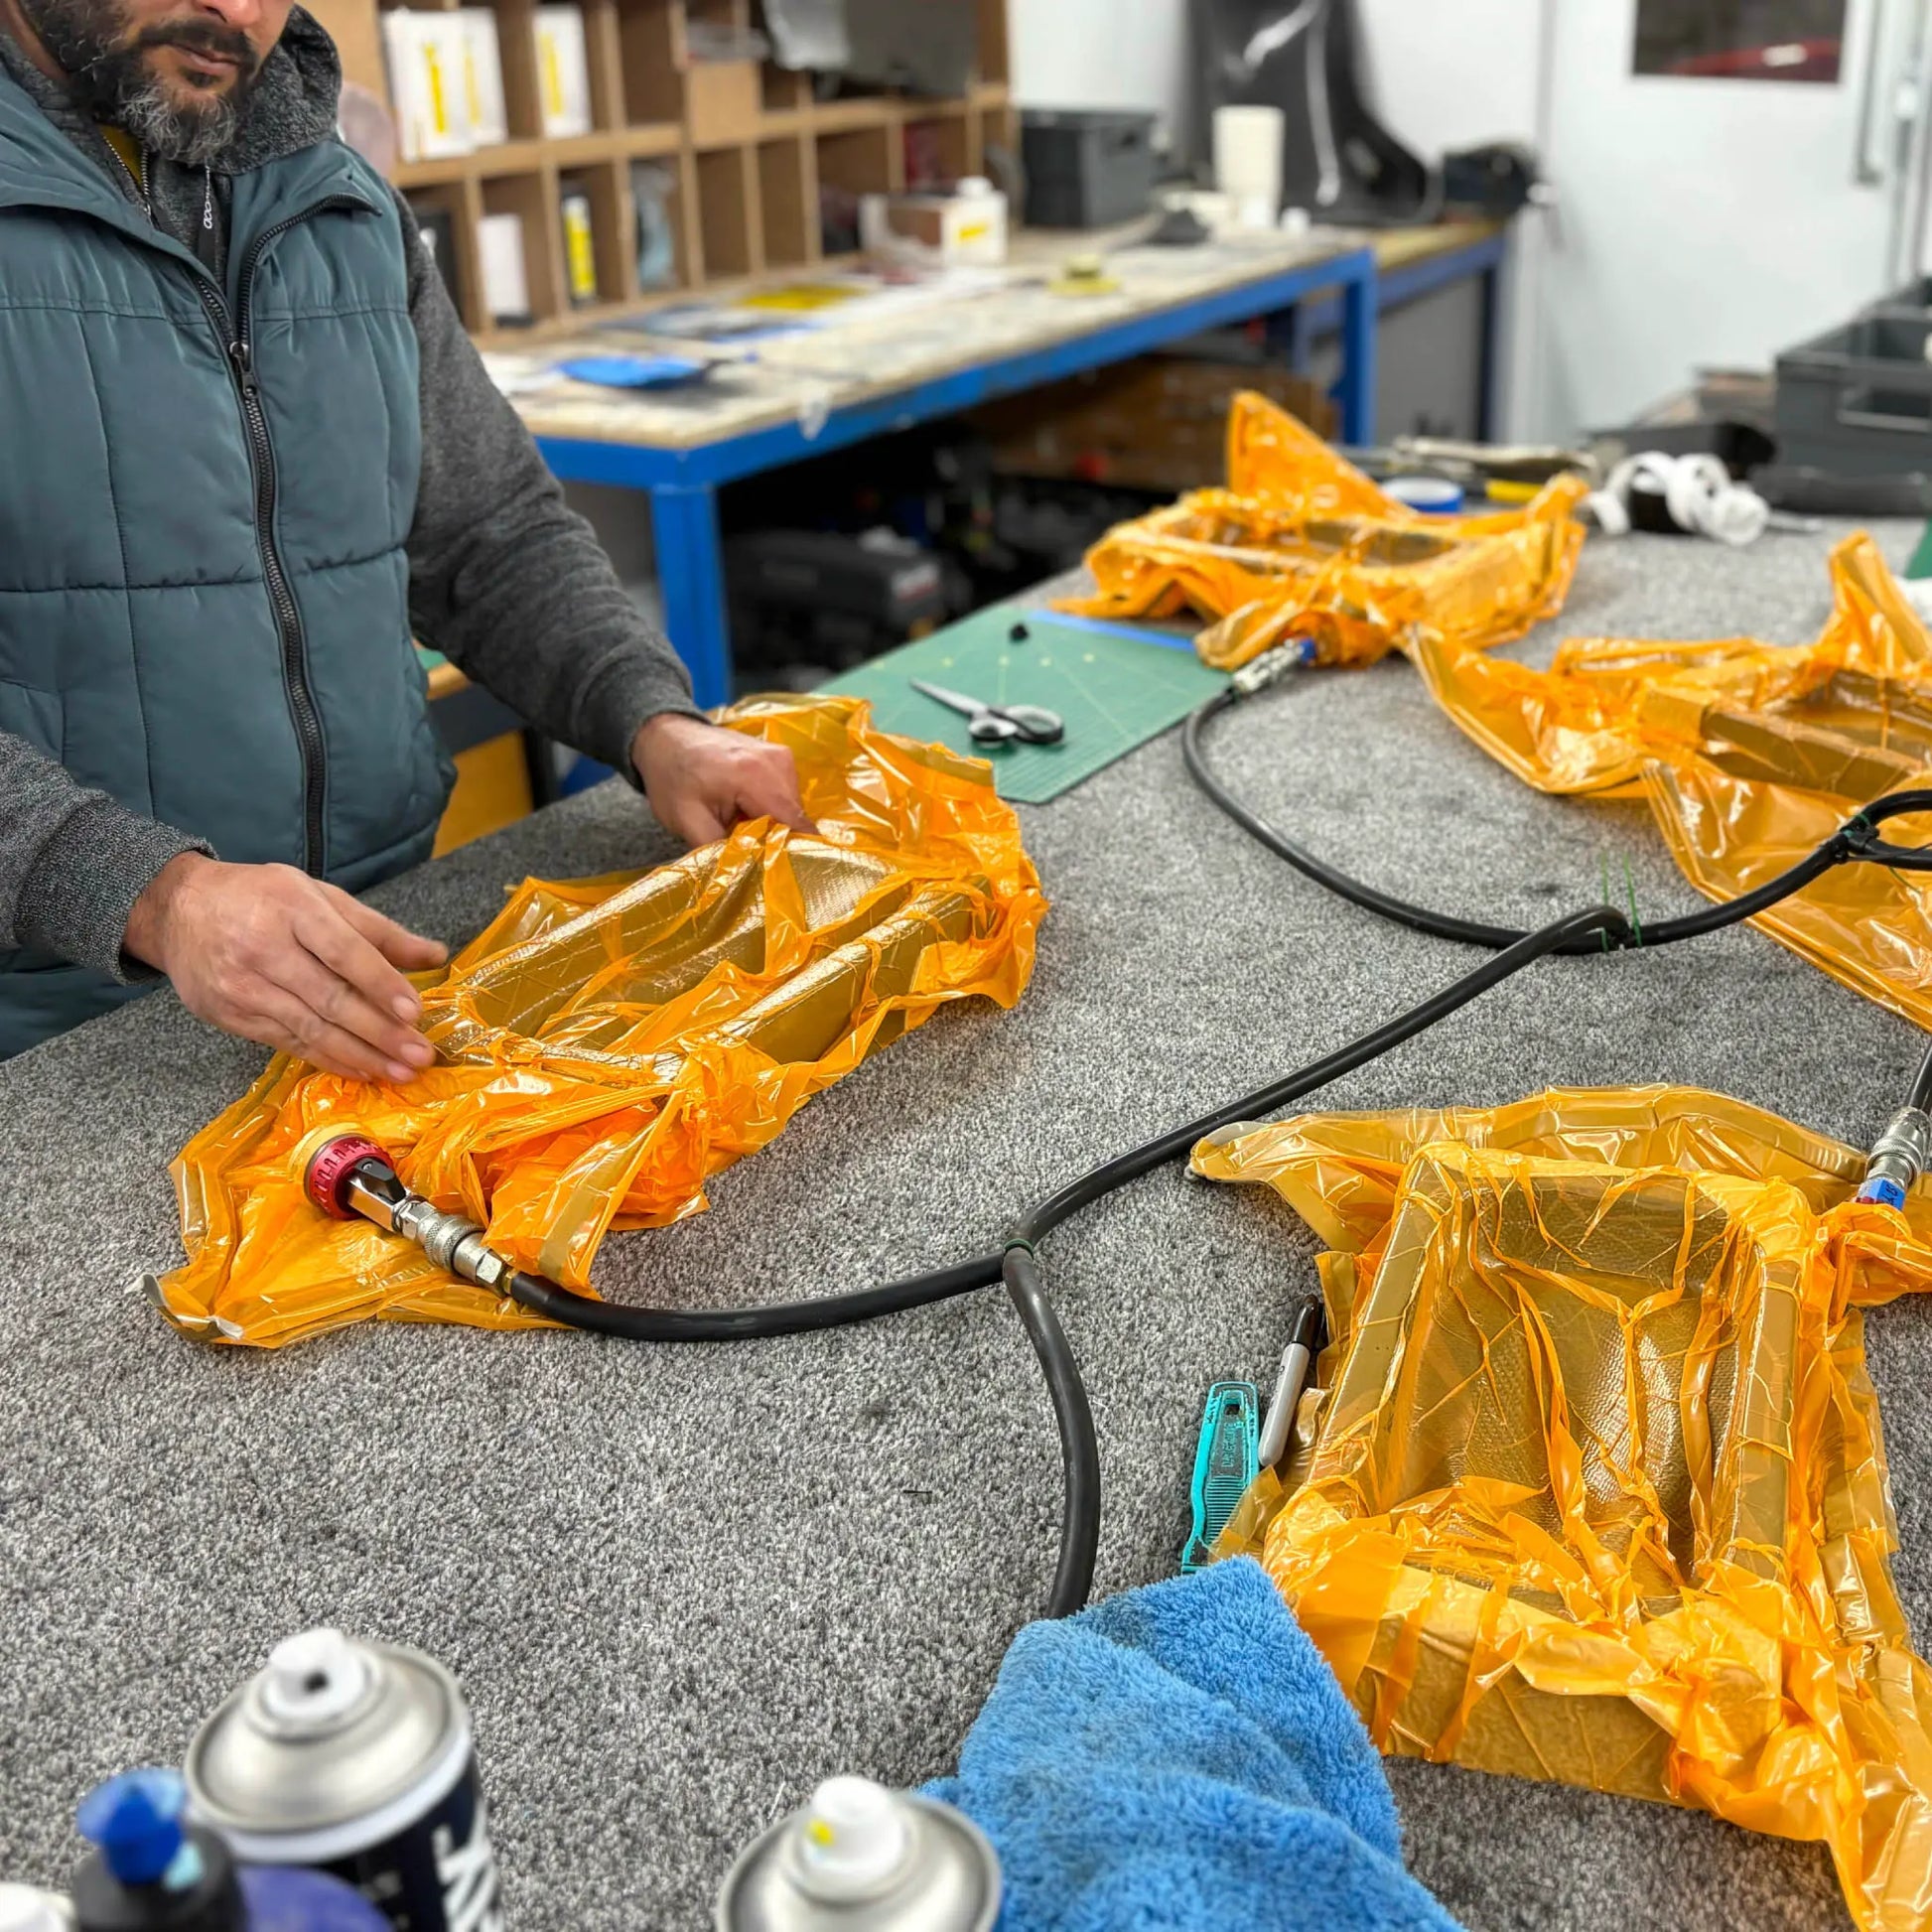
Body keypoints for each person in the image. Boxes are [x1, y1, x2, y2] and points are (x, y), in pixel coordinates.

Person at [0, 0, 809, 1077]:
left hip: (381, 969)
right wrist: (154, 895)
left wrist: (651, 718)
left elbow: (491, 533)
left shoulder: (336, 198)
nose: (240, 10)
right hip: (60, 1045)